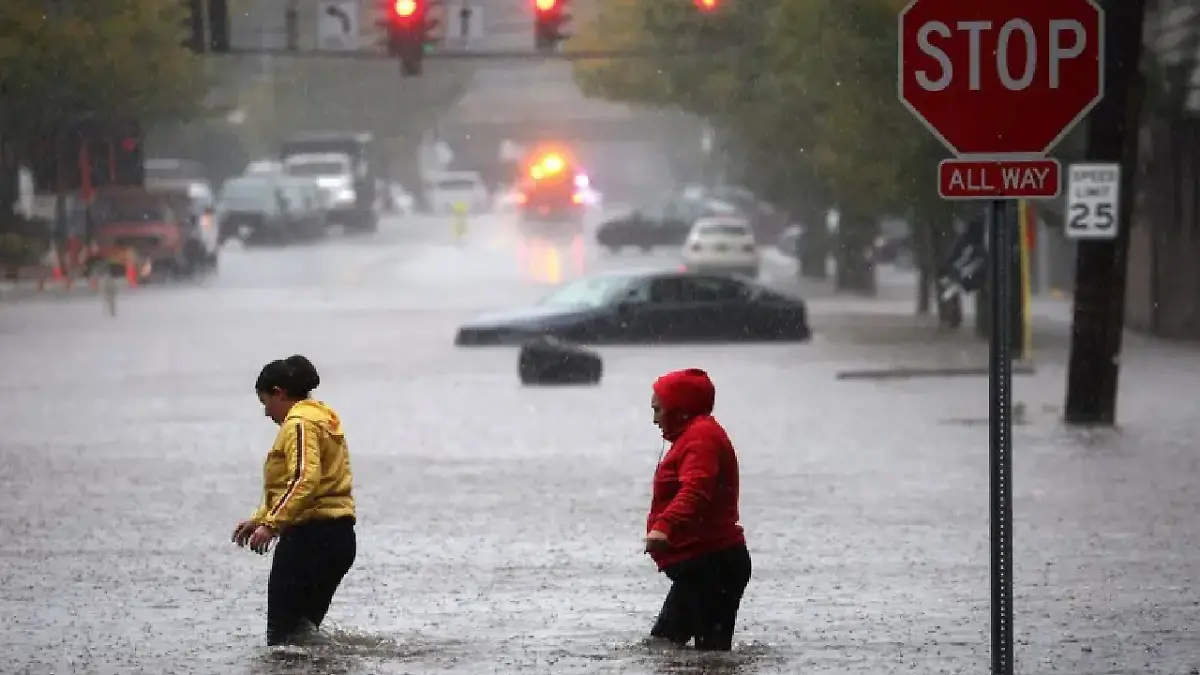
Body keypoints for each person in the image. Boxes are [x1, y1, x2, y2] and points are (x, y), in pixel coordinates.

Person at [231, 355, 357, 646]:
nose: (266, 413)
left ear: (279, 393)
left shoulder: (298, 423)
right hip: (339, 539)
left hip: (309, 539)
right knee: (302, 639)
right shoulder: (324, 418)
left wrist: (272, 525)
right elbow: (306, 483)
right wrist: (260, 518)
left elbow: (304, 479)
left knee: (281, 642)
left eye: (265, 403)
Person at [644, 368, 751, 651]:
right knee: (709, 658)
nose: (654, 419)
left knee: (662, 650)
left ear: (678, 409)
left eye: (658, 409)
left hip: (711, 565)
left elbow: (695, 489)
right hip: (712, 563)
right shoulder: (695, 435)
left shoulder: (701, 437)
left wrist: (664, 526)